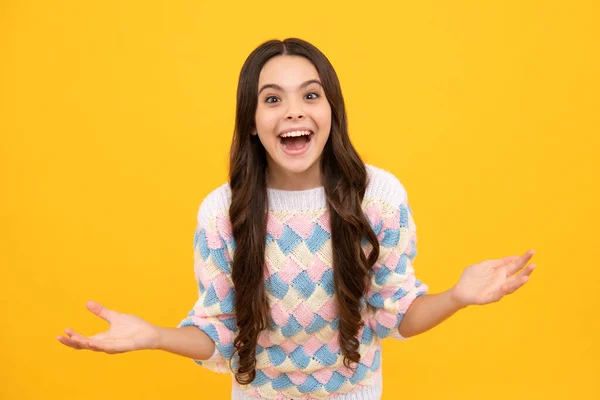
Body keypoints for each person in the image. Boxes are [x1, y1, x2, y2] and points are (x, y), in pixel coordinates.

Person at [57, 38, 537, 400]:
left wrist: (457, 296)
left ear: (331, 110)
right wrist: (154, 336)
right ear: (251, 119)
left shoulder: (379, 197)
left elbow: (396, 316)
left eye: (310, 96)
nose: (293, 112)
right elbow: (221, 333)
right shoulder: (221, 212)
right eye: (272, 99)